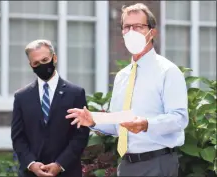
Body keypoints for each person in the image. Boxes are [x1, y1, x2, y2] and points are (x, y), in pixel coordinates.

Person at [66, 3, 189, 177]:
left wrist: (146, 124)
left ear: (152, 32)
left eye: (138, 26)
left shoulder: (168, 71)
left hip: (158, 163)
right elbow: (119, 124)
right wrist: (93, 120)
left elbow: (180, 119)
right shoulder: (122, 76)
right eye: (127, 27)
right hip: (126, 165)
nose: (132, 32)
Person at [11, 39, 90, 177]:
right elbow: (18, 137)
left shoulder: (75, 93)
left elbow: (81, 135)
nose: (41, 65)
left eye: (45, 59)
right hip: (31, 173)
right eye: (36, 63)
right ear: (31, 65)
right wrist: (31, 164)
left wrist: (60, 164)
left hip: (67, 172)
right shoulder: (21, 97)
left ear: (54, 58)